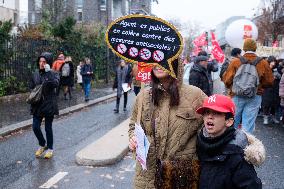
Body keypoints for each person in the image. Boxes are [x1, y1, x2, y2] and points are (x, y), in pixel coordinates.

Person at [128, 59, 207, 188]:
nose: (158, 65)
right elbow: (133, 125)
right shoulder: (143, 96)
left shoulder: (195, 95)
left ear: (175, 63)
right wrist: (133, 138)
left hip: (180, 175)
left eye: (164, 61)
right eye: (155, 61)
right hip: (147, 176)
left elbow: (212, 125)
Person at [196, 94, 265, 189]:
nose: (209, 117)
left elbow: (251, 185)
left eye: (216, 113)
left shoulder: (236, 152)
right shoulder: (198, 142)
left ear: (229, 121)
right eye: (206, 112)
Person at [222, 38, 274, 133]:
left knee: (233, 121)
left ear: (244, 48)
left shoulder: (235, 62)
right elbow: (270, 81)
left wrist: (233, 88)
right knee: (248, 124)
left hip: (237, 95)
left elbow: (227, 80)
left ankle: (231, 143)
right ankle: (245, 144)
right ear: (255, 48)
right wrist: (259, 86)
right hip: (255, 95)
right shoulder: (263, 62)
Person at [29, 52, 59, 159]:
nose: (41, 63)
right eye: (40, 61)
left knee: (48, 128)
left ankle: (50, 148)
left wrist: (49, 72)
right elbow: (31, 86)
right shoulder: (35, 73)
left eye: (44, 62)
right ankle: (42, 144)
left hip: (48, 104)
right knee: (35, 127)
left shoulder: (54, 73)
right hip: (37, 105)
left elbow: (55, 84)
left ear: (49, 63)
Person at [261, 56, 281, 125]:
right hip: (267, 89)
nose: (274, 63)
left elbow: (280, 77)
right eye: (272, 61)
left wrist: (277, 76)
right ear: (269, 61)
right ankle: (265, 118)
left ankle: (273, 117)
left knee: (274, 104)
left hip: (275, 88)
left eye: (274, 61)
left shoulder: (276, 69)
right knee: (266, 103)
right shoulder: (265, 69)